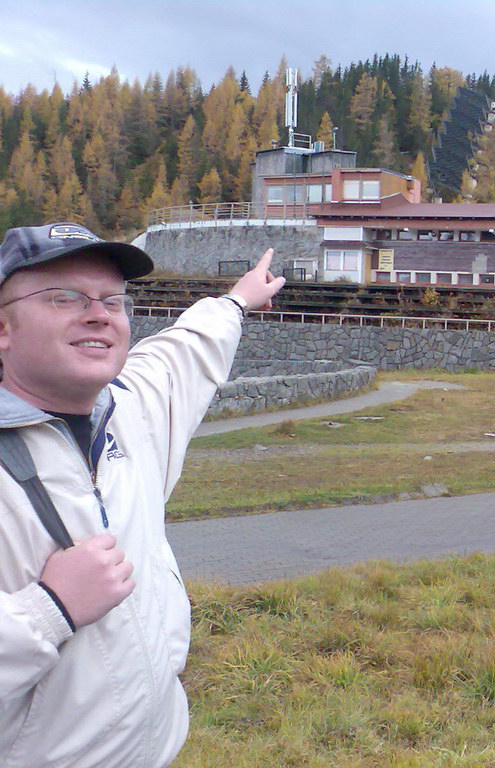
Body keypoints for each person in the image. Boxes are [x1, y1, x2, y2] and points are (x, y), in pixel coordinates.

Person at [0, 222, 284, 768]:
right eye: (65, 297)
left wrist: (240, 299)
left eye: (113, 300)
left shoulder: (128, 409)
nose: (98, 313)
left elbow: (188, 349)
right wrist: (50, 610)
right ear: (3, 329)